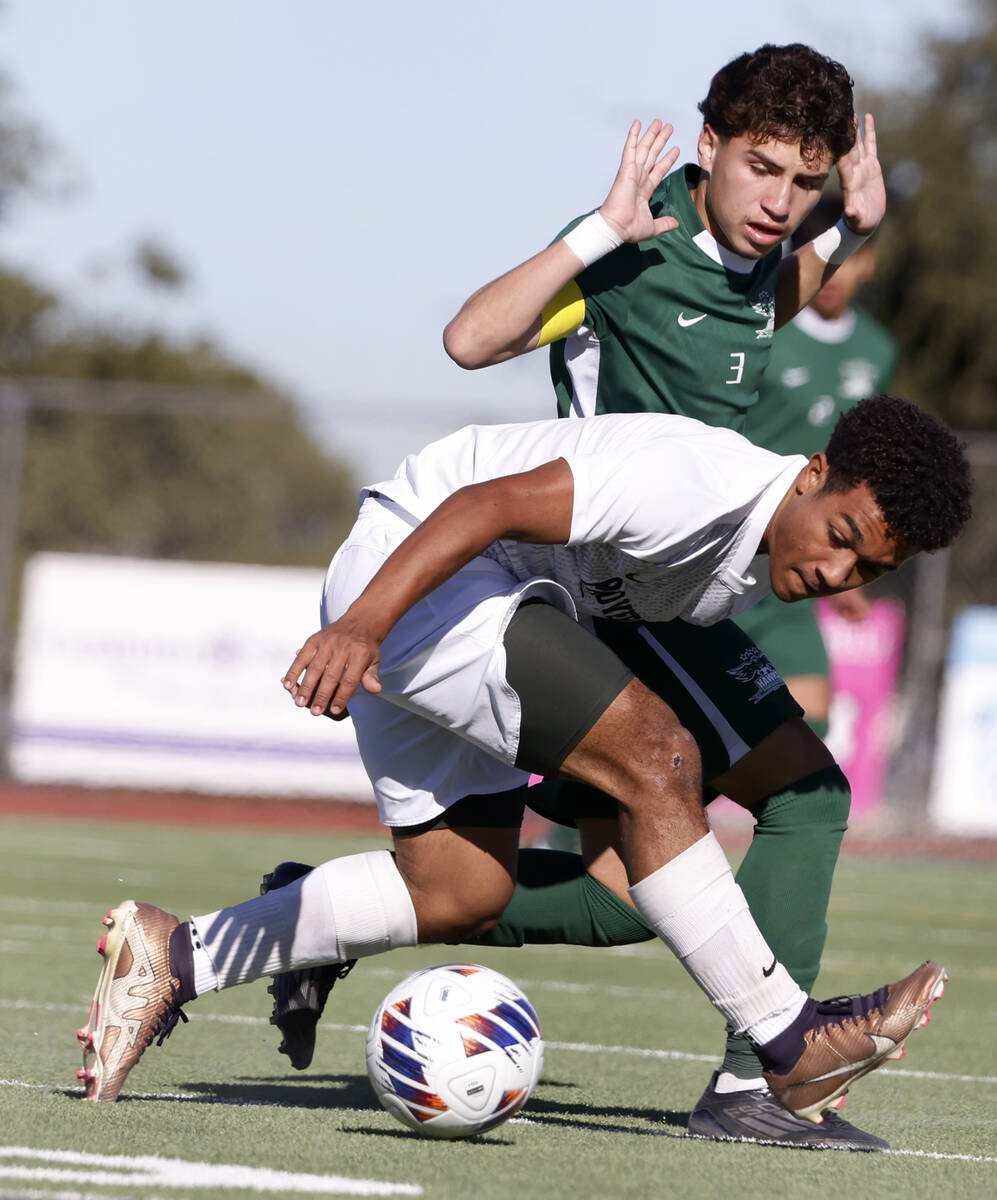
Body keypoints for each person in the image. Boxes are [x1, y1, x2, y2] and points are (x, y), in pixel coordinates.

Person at [262, 43, 908, 1151]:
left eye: (803, 183)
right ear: (705, 145)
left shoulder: (761, 258)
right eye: (762, 171)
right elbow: (471, 338)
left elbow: (766, 301)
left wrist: (854, 226)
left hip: (695, 580)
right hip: (610, 592)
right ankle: (760, 1074)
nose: (780, 203)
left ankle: (317, 918)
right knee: (804, 791)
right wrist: (595, 230)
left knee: (616, 898)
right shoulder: (639, 252)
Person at [78, 398, 969, 1116]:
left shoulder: (758, 545)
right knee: (658, 759)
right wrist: (362, 624)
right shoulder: (697, 484)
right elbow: (487, 504)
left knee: (460, 891)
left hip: (473, 595)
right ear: (812, 475)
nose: (836, 571)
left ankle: (174, 957)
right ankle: (787, 1039)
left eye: (866, 570)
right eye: (842, 536)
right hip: (425, 573)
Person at [736, 192, 899, 735]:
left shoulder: (878, 351)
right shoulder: (759, 327)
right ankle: (589, 824)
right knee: (665, 733)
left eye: (849, 256)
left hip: (793, 567)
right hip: (722, 544)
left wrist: (849, 571)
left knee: (808, 730)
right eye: (818, 252)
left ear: (870, 261)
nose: (833, 270)